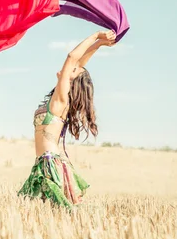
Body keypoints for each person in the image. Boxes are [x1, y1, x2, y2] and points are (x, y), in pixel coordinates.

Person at [18, 30, 116, 209]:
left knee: (54, 211)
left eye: (73, 70)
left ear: (72, 80)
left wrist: (95, 35)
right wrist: (99, 45)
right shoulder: (59, 98)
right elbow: (78, 62)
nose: (69, 68)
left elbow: (72, 57)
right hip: (47, 161)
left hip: (50, 164)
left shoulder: (61, 100)